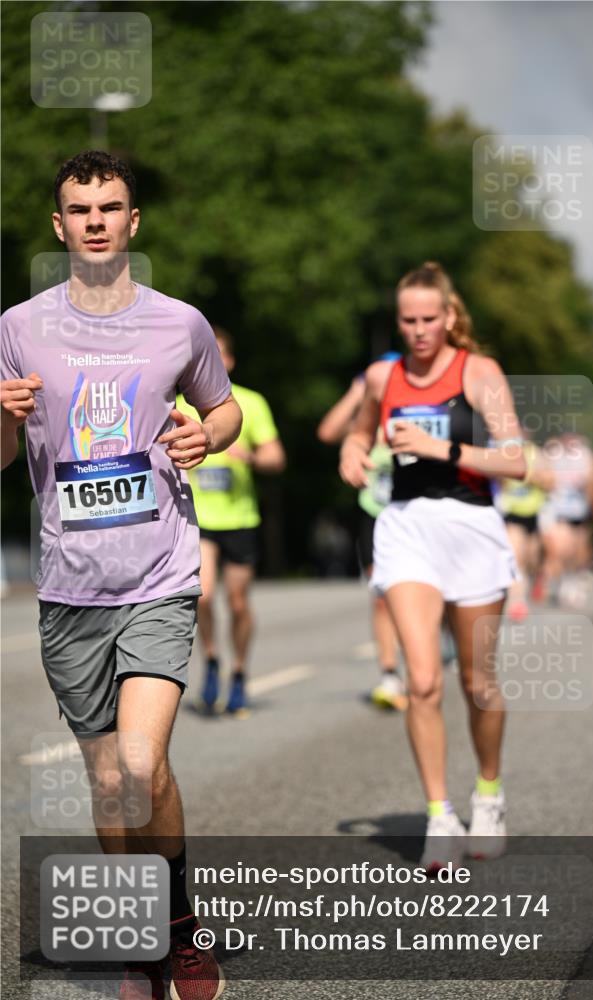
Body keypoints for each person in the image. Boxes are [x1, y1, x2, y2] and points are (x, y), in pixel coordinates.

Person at [0, 150, 242, 1000]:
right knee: (108, 782)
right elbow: (1, 459)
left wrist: (205, 438)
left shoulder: (179, 323)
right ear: (58, 225)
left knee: (142, 764)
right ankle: (143, 936)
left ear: (132, 223)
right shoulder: (19, 326)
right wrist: (4, 418)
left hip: (158, 572)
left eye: (110, 207)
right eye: (80, 208)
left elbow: (224, 406)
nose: (95, 220)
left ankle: (175, 928)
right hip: (69, 585)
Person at [339, 261, 527, 872]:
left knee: (478, 682)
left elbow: (516, 460)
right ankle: (440, 814)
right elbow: (360, 430)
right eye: (408, 320)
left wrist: (438, 447)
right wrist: (352, 450)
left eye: (429, 319)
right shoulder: (382, 375)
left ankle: (490, 794)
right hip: (406, 529)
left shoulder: (478, 371)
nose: (419, 331)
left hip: (471, 525)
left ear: (449, 317)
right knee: (422, 680)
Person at [177, 327, 285, 715]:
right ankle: (210, 658)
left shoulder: (250, 404)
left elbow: (277, 458)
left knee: (238, 603)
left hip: (240, 518)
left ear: (230, 362)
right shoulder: (178, 405)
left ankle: (238, 671)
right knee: (202, 594)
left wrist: (252, 458)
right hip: (198, 518)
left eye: (218, 355)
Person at [318, 355, 406, 710]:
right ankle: (389, 673)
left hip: (417, 513)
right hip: (375, 515)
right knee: (382, 594)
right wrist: (358, 391)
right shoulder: (365, 416)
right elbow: (327, 432)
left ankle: (433, 645)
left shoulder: (412, 413)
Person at [539, 433, 593, 609]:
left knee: (579, 551)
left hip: (580, 511)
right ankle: (564, 583)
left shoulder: (586, 456)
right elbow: (543, 476)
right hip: (559, 511)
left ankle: (574, 581)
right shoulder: (552, 454)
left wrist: (590, 493)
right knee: (562, 549)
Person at [495, 437, 548, 621]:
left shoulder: (535, 453)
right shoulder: (501, 451)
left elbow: (550, 481)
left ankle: (536, 578)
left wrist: (530, 476)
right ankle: (517, 601)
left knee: (531, 559)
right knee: (515, 558)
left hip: (533, 513)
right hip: (512, 513)